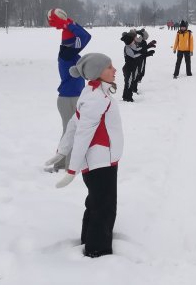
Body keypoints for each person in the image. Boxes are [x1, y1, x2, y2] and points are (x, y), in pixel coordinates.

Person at [47, 53, 123, 258]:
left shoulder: (91, 92)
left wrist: (62, 151)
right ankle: (97, 249)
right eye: (109, 67)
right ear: (97, 72)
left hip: (102, 159)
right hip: (101, 162)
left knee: (96, 203)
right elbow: (82, 133)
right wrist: (72, 169)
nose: (114, 70)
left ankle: (89, 239)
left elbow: (74, 122)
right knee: (104, 207)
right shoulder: (96, 98)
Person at [46, 9, 91, 172]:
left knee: (70, 132)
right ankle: (67, 165)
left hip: (72, 97)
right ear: (71, 43)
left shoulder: (70, 54)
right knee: (70, 133)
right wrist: (68, 25)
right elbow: (86, 36)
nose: (79, 44)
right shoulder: (67, 55)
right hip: (68, 99)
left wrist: (70, 23)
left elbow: (84, 36)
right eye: (75, 41)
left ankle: (62, 164)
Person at [121, 30, 153, 102]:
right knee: (129, 83)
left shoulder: (132, 46)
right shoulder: (127, 48)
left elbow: (139, 49)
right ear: (129, 42)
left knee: (130, 82)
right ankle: (128, 98)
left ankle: (126, 96)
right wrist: (146, 54)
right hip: (128, 68)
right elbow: (135, 55)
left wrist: (148, 47)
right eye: (132, 41)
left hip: (132, 67)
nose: (134, 42)